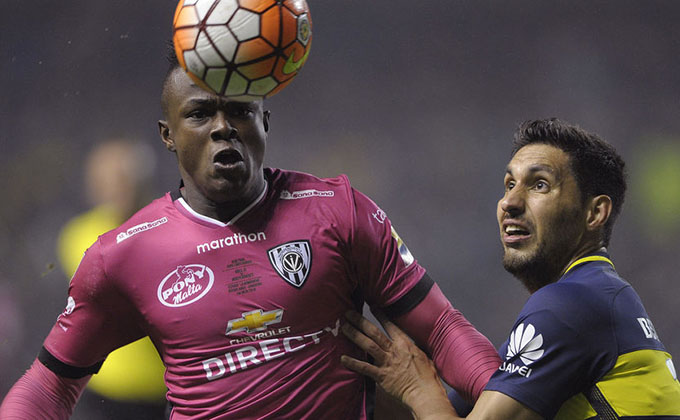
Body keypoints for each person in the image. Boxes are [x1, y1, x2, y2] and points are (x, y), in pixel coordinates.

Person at [0, 51, 501, 419]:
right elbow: (48, 388)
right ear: (167, 135)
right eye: (199, 114)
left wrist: (513, 397)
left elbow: (441, 329)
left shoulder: (338, 212)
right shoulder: (123, 254)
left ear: (265, 121)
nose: (223, 128)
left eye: (239, 110)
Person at [341, 118, 680, 419]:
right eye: (509, 184)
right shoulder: (595, 302)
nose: (509, 202)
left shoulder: (571, 305)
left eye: (540, 185)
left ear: (594, 214)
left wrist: (417, 388)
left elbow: (430, 402)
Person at [56, 139, 167, 416]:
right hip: (104, 391)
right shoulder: (79, 235)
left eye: (123, 177)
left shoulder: (174, 225)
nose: (116, 187)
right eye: (105, 178)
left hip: (167, 390)